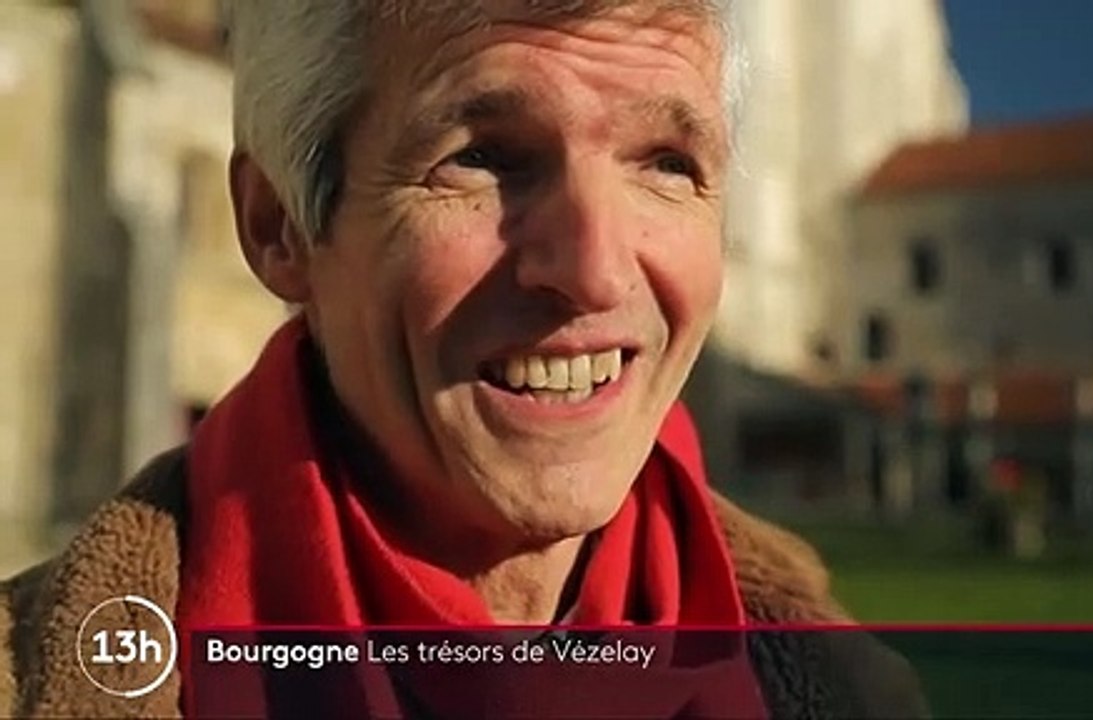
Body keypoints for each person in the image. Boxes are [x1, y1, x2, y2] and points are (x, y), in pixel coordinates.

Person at [1, 1, 927, 717]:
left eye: (666, 162)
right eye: (482, 156)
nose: (596, 273)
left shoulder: (852, 691)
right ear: (278, 225)